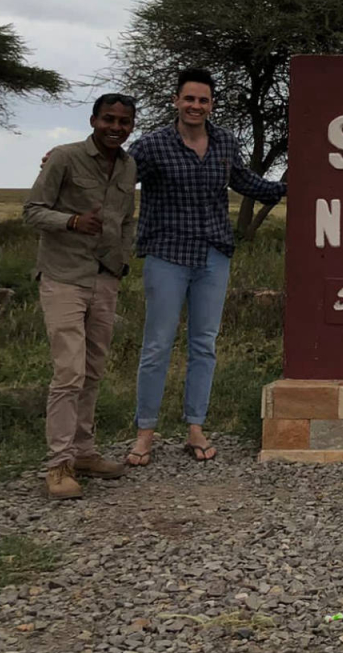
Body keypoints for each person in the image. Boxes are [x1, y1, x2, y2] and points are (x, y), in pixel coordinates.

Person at [124, 67, 286, 466]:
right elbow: (114, 178)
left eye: (203, 100)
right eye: (189, 99)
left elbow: (251, 185)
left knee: (204, 344)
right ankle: (145, 432)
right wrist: (62, 160)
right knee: (157, 345)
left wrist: (295, 183)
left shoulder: (224, 143)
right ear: (176, 101)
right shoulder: (152, 146)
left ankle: (195, 427)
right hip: (167, 253)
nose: (195, 106)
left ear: (212, 105)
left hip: (213, 254)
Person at [24, 93, 139, 500]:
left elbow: (126, 219)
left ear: (131, 127)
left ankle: (85, 452)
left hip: (104, 278)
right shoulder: (65, 158)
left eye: (124, 122)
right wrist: (72, 221)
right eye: (109, 119)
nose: (115, 128)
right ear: (93, 120)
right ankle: (59, 464)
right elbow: (32, 211)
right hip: (63, 276)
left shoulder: (128, 166)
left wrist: (120, 262)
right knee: (68, 372)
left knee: (93, 369)